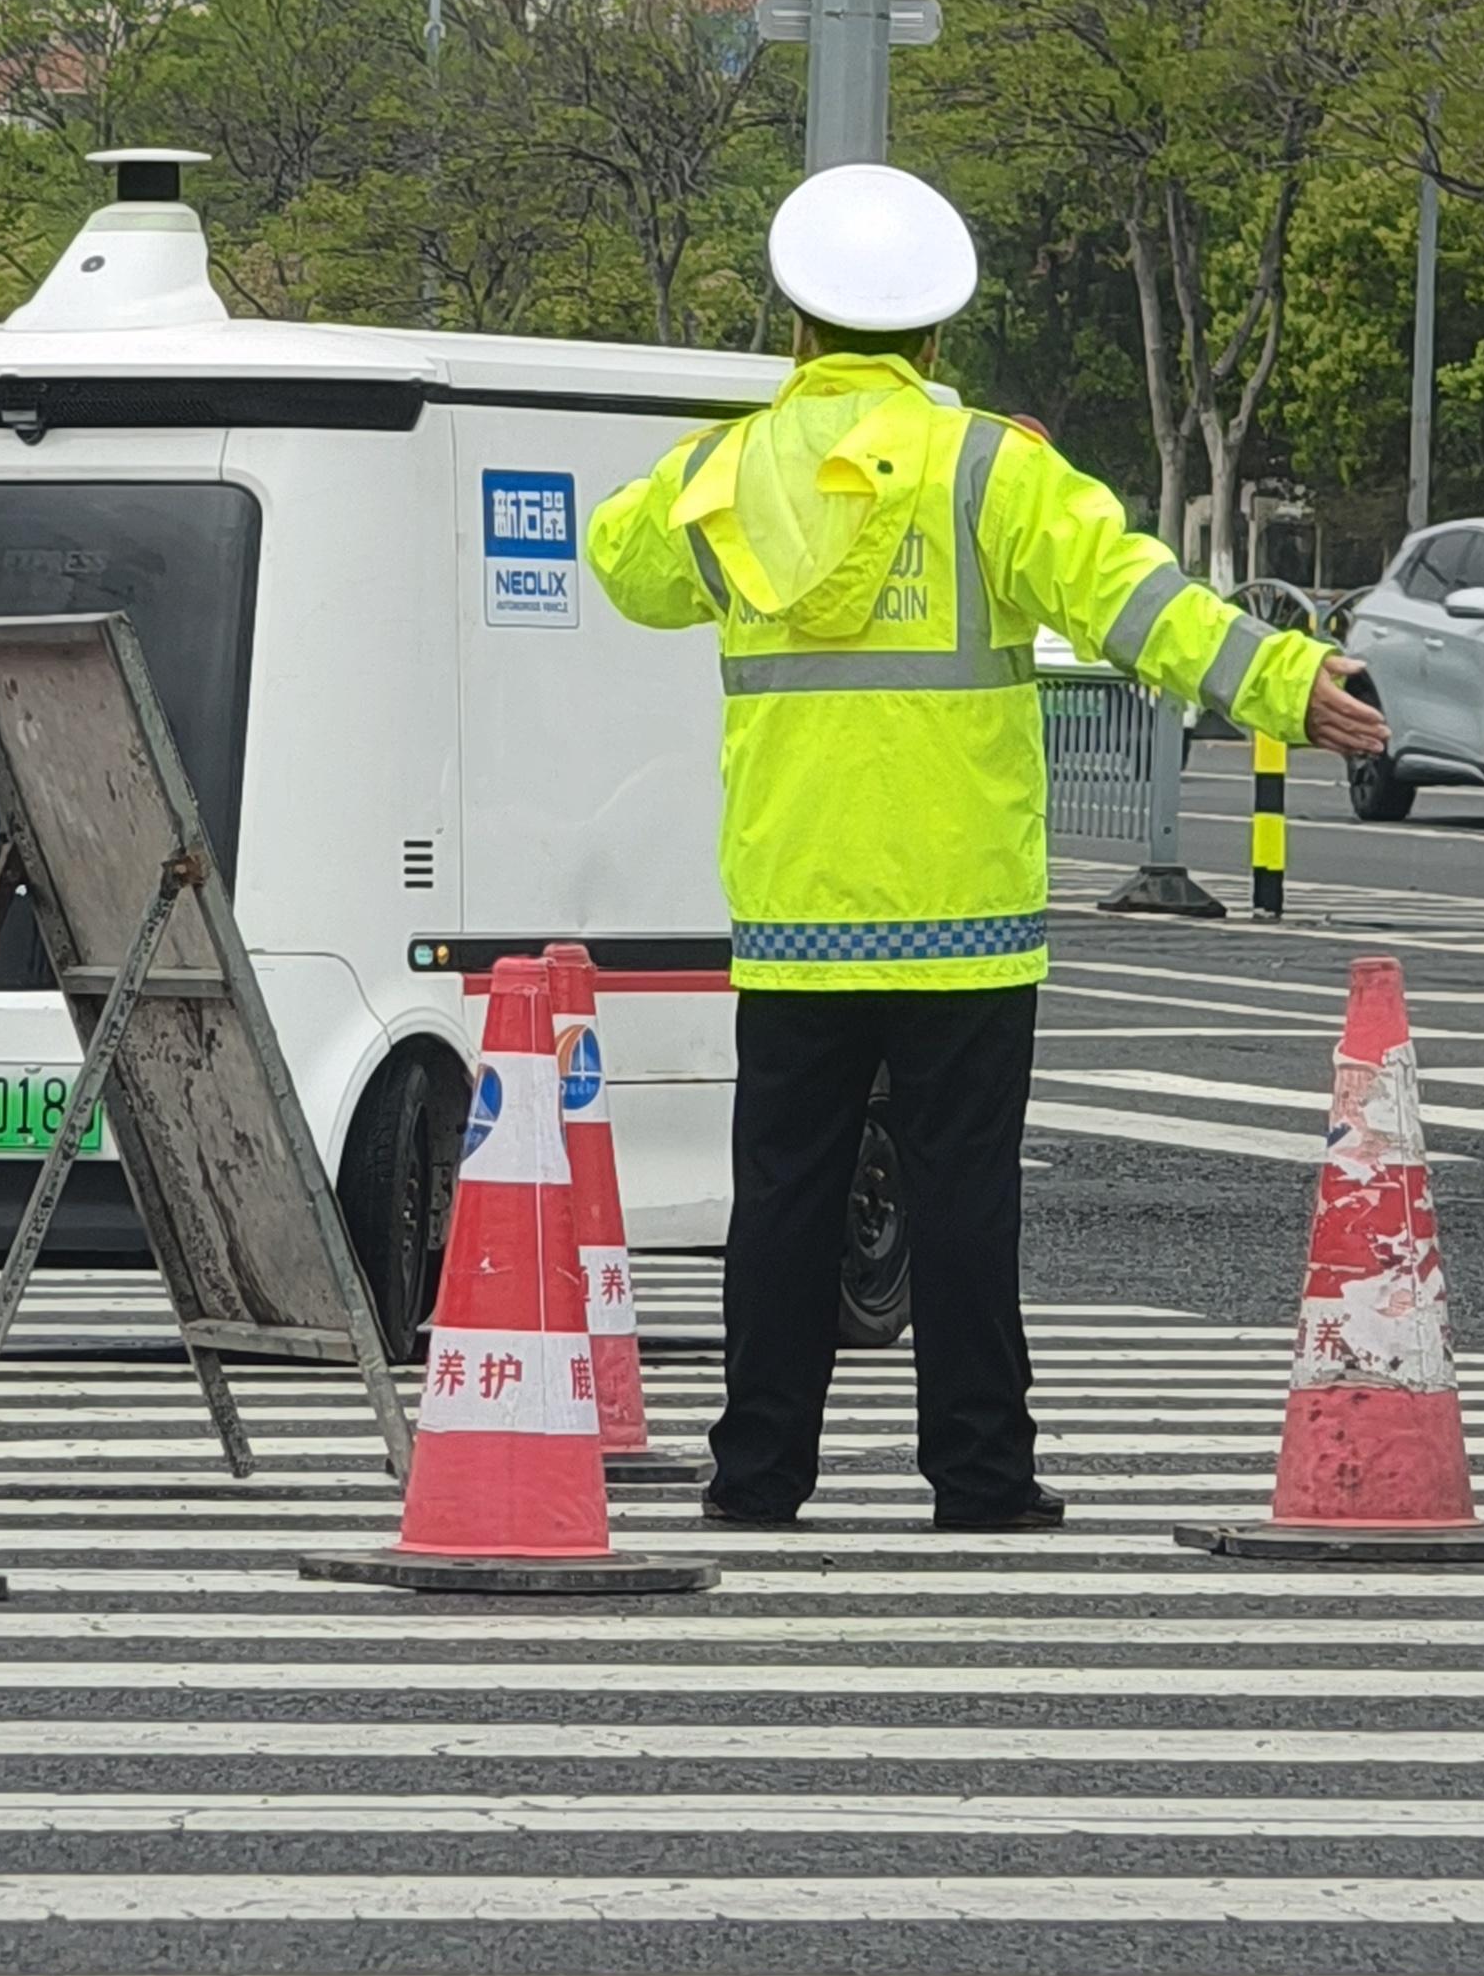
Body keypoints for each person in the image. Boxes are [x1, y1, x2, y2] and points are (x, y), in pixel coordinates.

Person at [584, 161, 1389, 1533]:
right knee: (963, 1199)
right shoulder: (992, 470)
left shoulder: (722, 477)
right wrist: (1277, 680)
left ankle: (758, 1473)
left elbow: (624, 564)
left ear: (797, 327)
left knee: (781, 1199)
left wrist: (745, 454)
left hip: (795, 906)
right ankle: (979, 1473)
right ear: (935, 339)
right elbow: (1138, 599)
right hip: (962, 910)